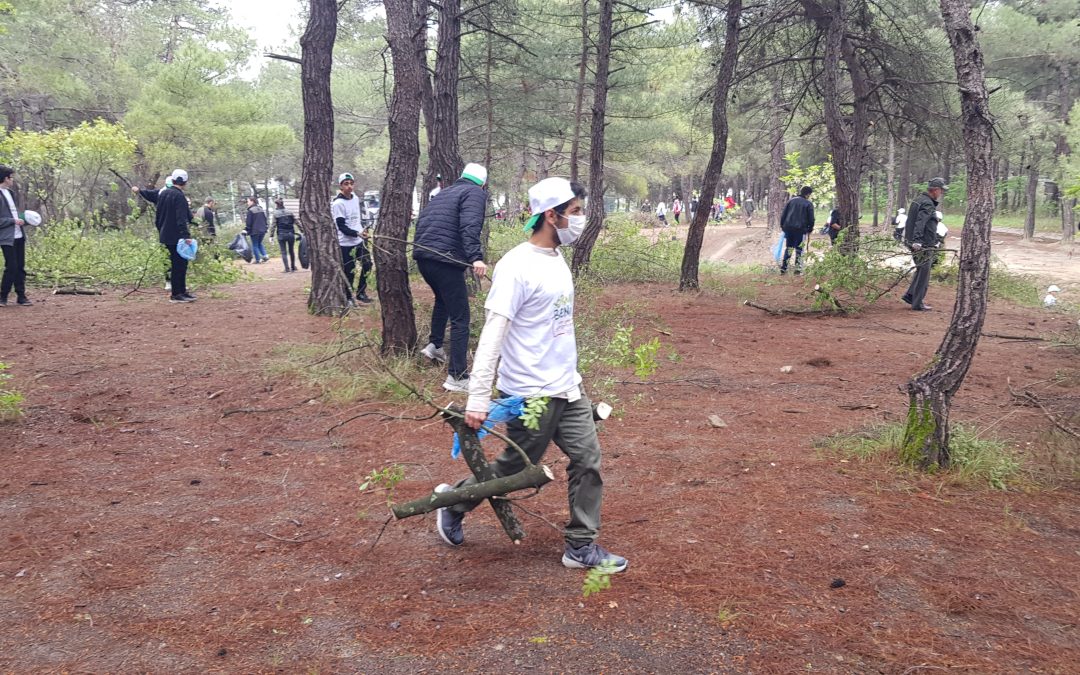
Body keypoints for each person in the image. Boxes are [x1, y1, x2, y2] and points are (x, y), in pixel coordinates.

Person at [433, 176, 627, 573]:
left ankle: (581, 545)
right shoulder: (516, 267)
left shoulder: (557, 259)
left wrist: (572, 378)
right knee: (517, 470)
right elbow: (491, 334)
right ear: (550, 215)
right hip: (531, 393)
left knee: (587, 460)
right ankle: (454, 502)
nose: (580, 219)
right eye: (574, 212)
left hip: (566, 386)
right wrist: (478, 398)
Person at [412, 163, 489, 391]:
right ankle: (457, 376)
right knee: (461, 317)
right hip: (444, 260)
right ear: (483, 183)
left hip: (424, 257)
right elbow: (470, 225)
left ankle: (435, 345)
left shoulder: (446, 192)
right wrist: (476, 257)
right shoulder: (474, 192)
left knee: (443, 301)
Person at [134, 169, 195, 303]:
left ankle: (181, 291)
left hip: (165, 235)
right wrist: (186, 236)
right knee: (180, 265)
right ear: (184, 182)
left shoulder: (163, 194)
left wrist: (161, 230)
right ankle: (177, 294)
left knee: (174, 264)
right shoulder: (179, 196)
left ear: (172, 180)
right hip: (177, 236)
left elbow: (158, 216)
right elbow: (182, 218)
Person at [902, 178, 947, 311]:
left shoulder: (919, 200)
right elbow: (920, 223)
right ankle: (917, 303)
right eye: (941, 190)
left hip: (918, 242)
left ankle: (910, 295)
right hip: (923, 244)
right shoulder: (927, 203)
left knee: (921, 269)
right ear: (935, 190)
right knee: (924, 272)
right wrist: (917, 241)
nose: (941, 193)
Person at [332, 173, 373, 304]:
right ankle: (349, 298)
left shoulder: (355, 198)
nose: (349, 186)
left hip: (359, 240)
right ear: (341, 186)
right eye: (346, 184)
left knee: (367, 264)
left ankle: (361, 293)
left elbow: (356, 219)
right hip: (345, 243)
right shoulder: (338, 204)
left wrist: (362, 231)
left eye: (351, 183)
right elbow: (341, 227)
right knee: (349, 271)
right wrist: (356, 233)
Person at [0, 165, 33, 306]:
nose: (12, 180)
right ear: (5, 178)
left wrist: (25, 219)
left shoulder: (11, 193)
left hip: (19, 235)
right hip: (7, 237)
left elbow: (14, 214)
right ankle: (3, 297)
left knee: (20, 267)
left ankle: (21, 296)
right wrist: (13, 221)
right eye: (11, 177)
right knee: (11, 266)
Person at [779, 186, 815, 275]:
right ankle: (798, 269)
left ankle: (784, 268)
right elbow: (811, 219)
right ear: (808, 194)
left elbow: (783, 215)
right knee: (799, 249)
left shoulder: (790, 201)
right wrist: (810, 229)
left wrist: (783, 226)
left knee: (789, 248)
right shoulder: (808, 204)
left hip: (788, 228)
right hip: (800, 229)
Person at [273, 198, 300, 272]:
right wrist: (302, 230)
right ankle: (293, 266)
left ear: (276, 205)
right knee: (291, 250)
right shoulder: (290, 212)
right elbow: (297, 222)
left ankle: (287, 268)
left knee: (283, 251)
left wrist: (271, 235)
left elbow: (273, 225)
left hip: (281, 234)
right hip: (290, 233)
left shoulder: (275, 214)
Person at [244, 196, 270, 263]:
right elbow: (265, 219)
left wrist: (246, 229)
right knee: (259, 243)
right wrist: (266, 227)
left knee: (255, 245)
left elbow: (249, 222)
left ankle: (258, 259)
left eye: (248, 201)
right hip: (263, 230)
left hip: (255, 231)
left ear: (252, 201)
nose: (247, 203)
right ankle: (265, 255)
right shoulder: (260, 209)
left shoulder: (251, 210)